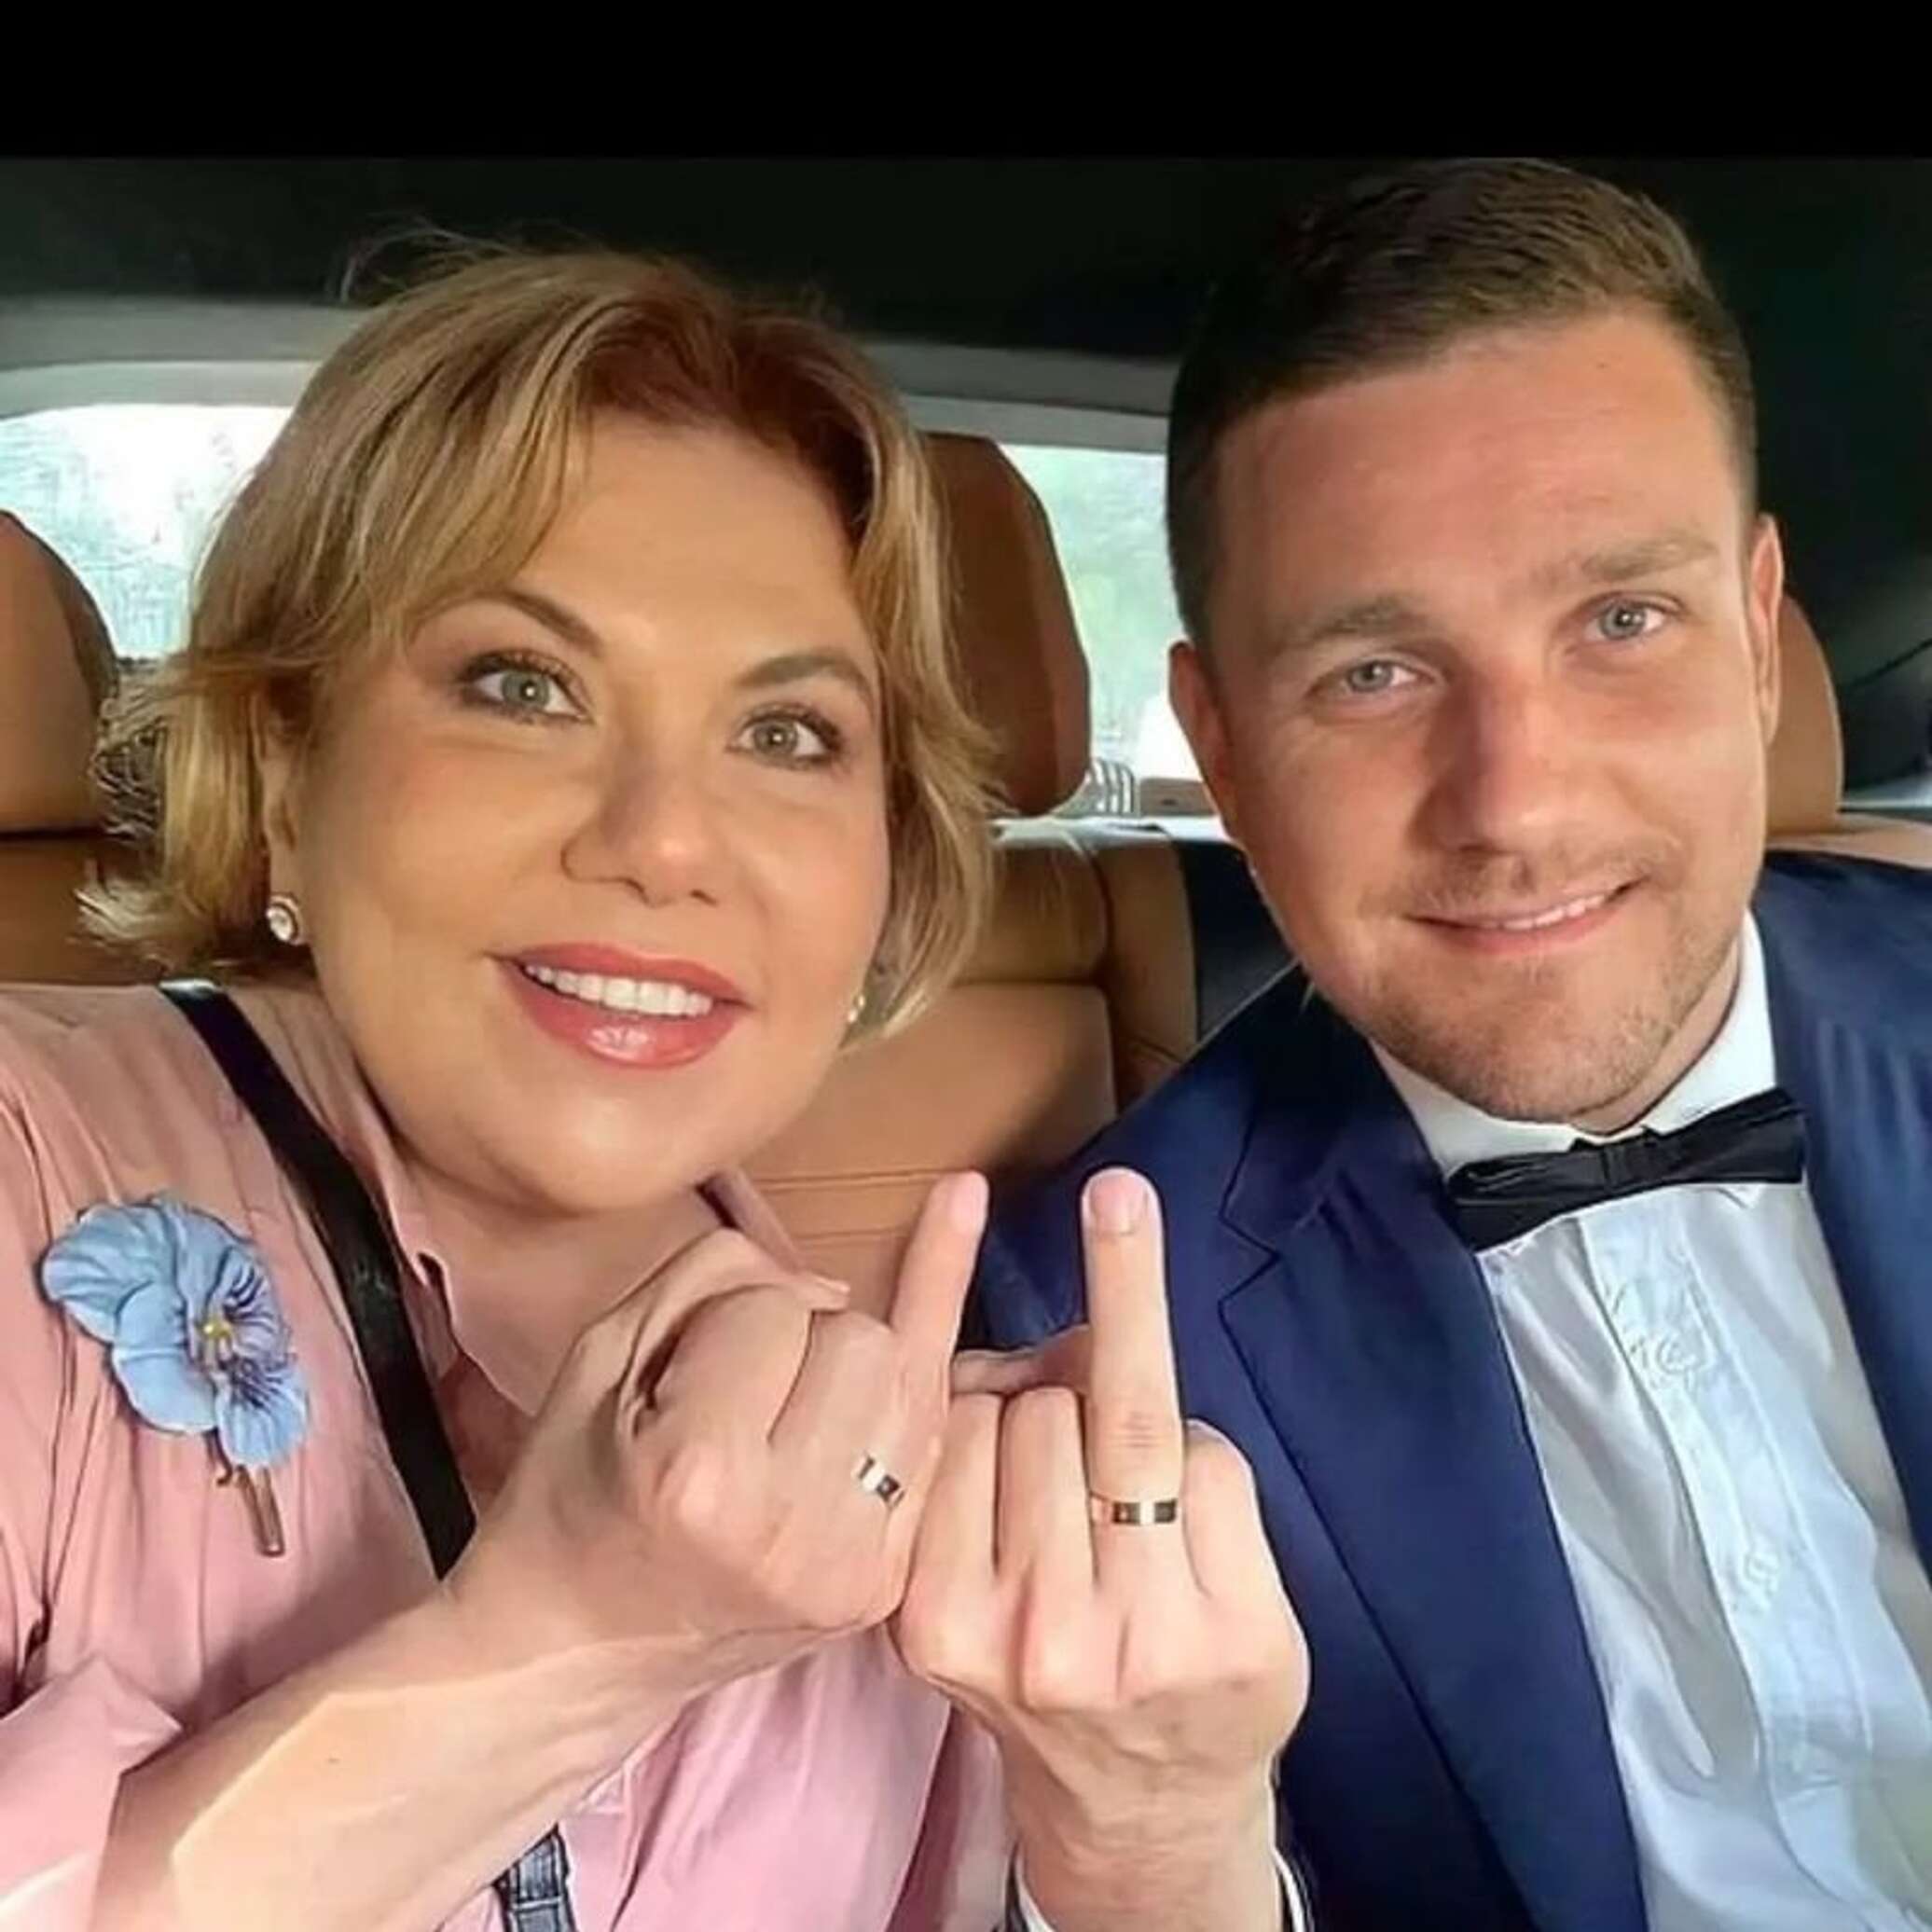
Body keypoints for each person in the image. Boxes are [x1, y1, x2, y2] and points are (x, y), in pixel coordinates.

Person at [0, 248, 1305, 1931]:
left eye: (788, 734)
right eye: (522, 688)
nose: (668, 841)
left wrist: (1160, 1842)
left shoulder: (920, 1459)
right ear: (277, 777)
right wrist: (570, 1645)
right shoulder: (28, 1164)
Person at [975, 159, 1932, 1932]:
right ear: (1221, 747)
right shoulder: (1093, 1323)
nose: (1517, 805)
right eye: (1374, 674)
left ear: (1758, 635)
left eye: (1621, 622)